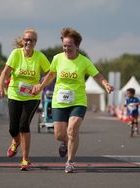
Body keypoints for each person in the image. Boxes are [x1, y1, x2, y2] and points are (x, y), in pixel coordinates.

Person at [32, 27, 114, 173]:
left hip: (78, 101)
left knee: (72, 130)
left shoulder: (84, 61)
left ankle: (70, 162)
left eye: (69, 46)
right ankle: (64, 142)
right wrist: (40, 86)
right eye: (64, 45)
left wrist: (105, 83)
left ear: (77, 46)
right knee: (59, 134)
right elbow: (51, 75)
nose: (66, 48)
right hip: (59, 101)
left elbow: (97, 75)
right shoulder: (57, 58)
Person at [0, 28, 50, 171]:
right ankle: (16, 140)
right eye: (26, 39)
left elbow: (51, 72)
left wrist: (41, 84)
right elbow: (6, 71)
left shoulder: (39, 57)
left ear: (35, 42)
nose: (28, 42)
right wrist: (0, 85)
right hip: (14, 94)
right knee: (13, 128)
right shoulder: (16, 54)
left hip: (32, 96)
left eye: (31, 40)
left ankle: (25, 159)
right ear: (23, 41)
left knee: (24, 125)